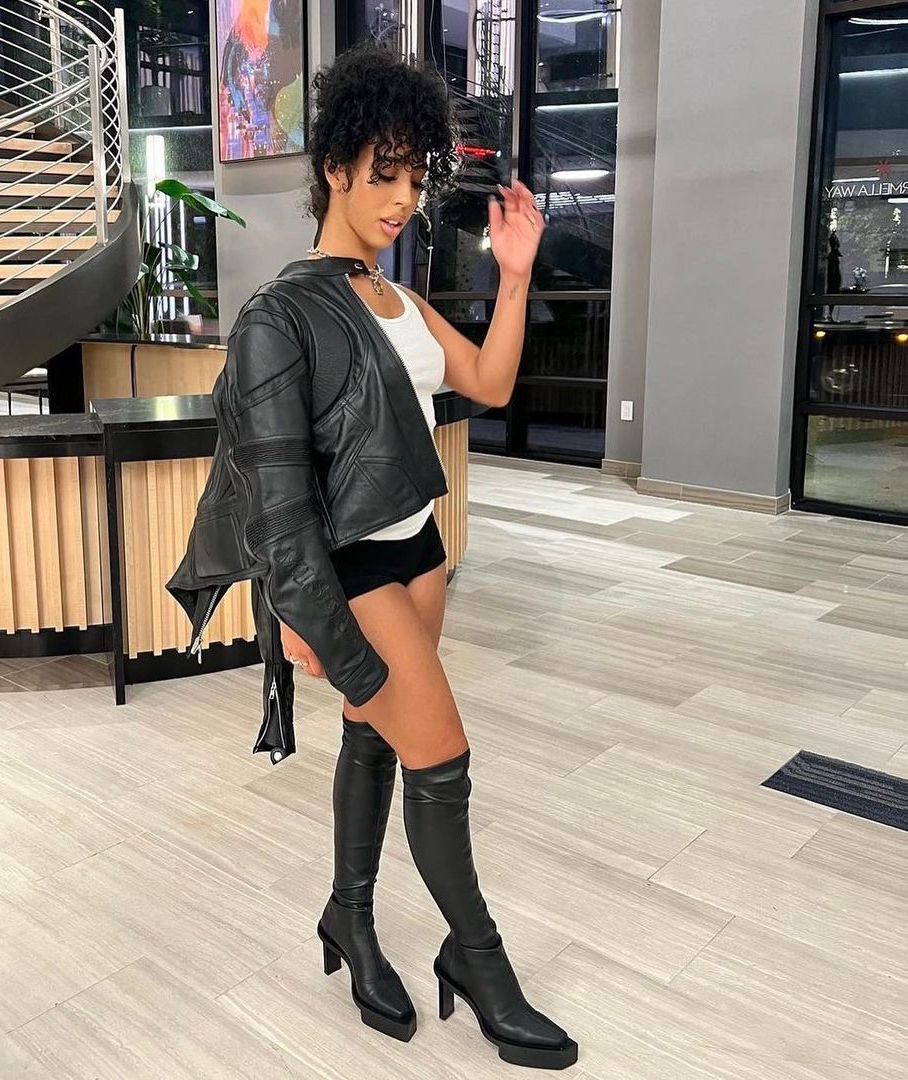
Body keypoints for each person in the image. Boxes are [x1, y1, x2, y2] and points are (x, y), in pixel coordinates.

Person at [167, 43, 578, 1071]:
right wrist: (308, 618)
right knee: (444, 759)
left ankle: (349, 915)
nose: (403, 199)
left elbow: (487, 383)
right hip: (349, 573)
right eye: (383, 173)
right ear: (335, 168)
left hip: (418, 550)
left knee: (378, 738)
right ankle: (476, 959)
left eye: (415, 177)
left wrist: (514, 276)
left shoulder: (396, 297)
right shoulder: (279, 315)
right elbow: (278, 503)